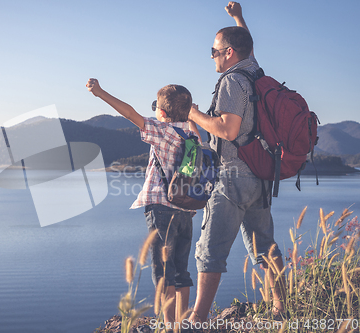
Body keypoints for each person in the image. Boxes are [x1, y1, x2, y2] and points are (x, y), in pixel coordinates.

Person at [187, 2, 286, 324]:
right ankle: (280, 309)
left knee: (209, 250)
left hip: (232, 177)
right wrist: (237, 19)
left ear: (229, 52)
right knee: (265, 247)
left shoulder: (232, 81)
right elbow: (249, 45)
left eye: (214, 51)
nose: (212, 56)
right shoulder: (255, 72)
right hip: (260, 175)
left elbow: (228, 129)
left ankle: (197, 320)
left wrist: (193, 114)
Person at [86, 78, 200, 330]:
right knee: (182, 270)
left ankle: (169, 325)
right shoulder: (192, 135)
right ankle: (182, 323)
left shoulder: (162, 131)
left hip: (161, 208)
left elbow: (129, 113)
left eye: (156, 109)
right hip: (186, 210)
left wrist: (100, 93)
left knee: (163, 271)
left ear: (161, 112)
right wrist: (190, 116)